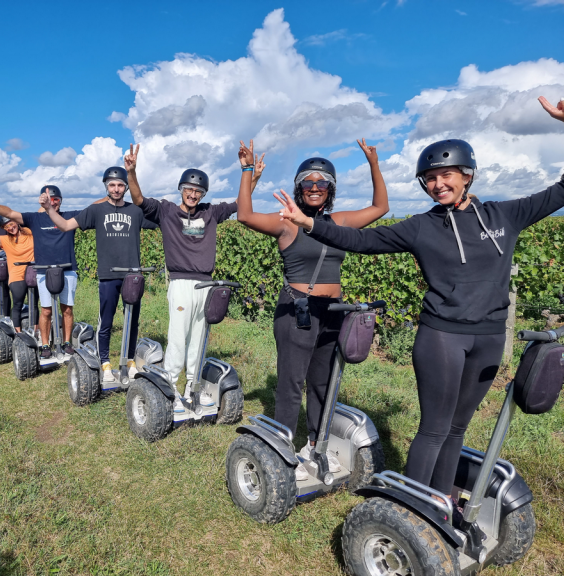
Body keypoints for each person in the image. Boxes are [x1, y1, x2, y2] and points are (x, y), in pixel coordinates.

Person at [274, 96, 564, 495]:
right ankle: (408, 507)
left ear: (467, 176)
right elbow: (359, 240)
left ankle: (440, 502)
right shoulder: (420, 227)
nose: (438, 184)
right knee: (434, 427)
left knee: (458, 428)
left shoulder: (504, 216)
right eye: (429, 178)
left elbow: (560, 191)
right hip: (442, 337)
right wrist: (311, 224)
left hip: (490, 338)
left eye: (447, 175)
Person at [238, 138, 389, 480]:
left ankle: (315, 447)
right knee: (292, 384)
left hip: (333, 311)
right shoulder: (287, 222)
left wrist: (373, 164)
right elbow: (245, 215)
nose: (315, 188)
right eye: (309, 182)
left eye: (323, 183)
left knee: (322, 383)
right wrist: (247, 171)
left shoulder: (340, 222)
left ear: (331, 189)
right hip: (298, 309)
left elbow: (380, 207)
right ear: (299, 187)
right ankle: (281, 454)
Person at [124, 143, 265, 411]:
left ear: (202, 194)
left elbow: (239, 204)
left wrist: (252, 176)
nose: (193, 194)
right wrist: (132, 172)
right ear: (181, 190)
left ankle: (192, 386)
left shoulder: (210, 212)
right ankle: (169, 386)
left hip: (207, 284)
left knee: (199, 337)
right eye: (188, 189)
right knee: (178, 336)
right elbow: (139, 200)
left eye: (198, 191)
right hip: (180, 282)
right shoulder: (166, 211)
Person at [45, 166, 157, 383]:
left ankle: (130, 361)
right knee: (105, 322)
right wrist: (50, 209)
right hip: (108, 274)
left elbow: (165, 222)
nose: (116, 189)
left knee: (131, 321)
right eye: (112, 185)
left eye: (120, 185)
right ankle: (105, 363)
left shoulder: (136, 211)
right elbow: (66, 226)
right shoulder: (96, 211)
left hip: (132, 276)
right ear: (106, 186)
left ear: (126, 187)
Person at [0, 187, 103, 359]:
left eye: (56, 199)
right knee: (45, 310)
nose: (52, 202)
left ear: (61, 200)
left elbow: (93, 207)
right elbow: (10, 213)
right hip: (44, 271)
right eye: (48, 199)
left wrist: (112, 197)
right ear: (43, 200)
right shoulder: (35, 218)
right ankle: (45, 344)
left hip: (67, 269)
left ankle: (66, 343)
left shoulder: (69, 217)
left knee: (67, 309)